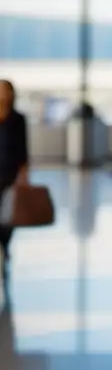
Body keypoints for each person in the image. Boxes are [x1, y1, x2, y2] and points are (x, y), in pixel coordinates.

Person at [0, 80, 29, 274]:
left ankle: (5, 246)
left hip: (9, 172)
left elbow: (23, 149)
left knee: (9, 215)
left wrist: (24, 174)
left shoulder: (18, 119)